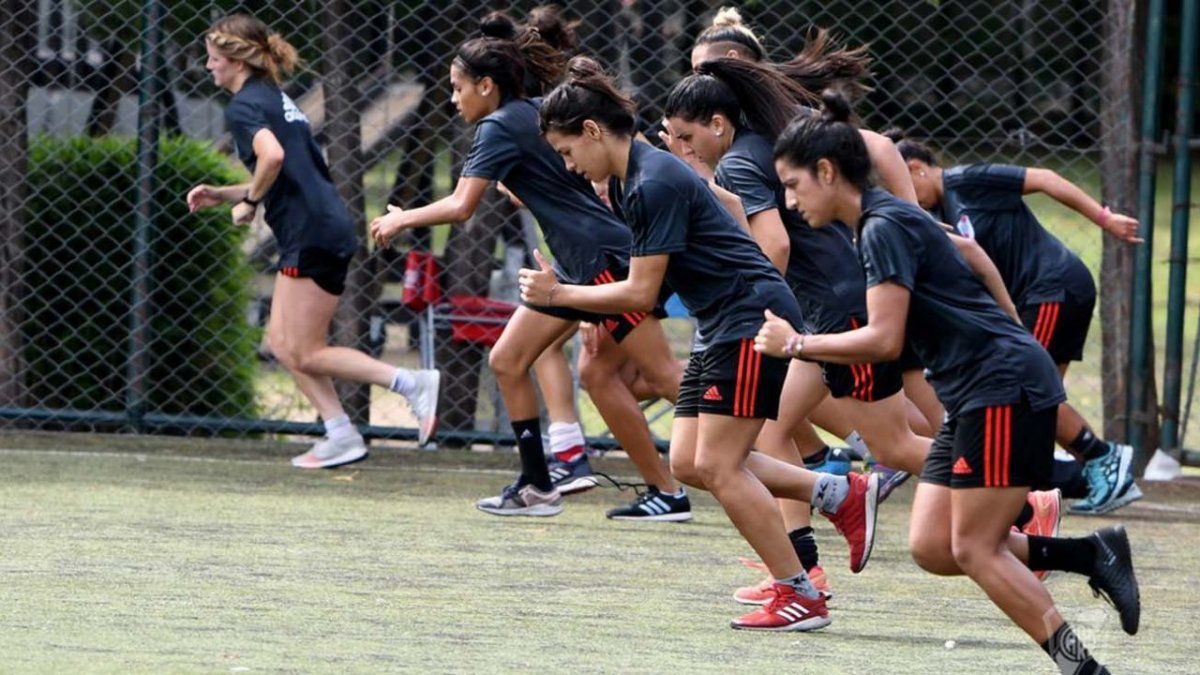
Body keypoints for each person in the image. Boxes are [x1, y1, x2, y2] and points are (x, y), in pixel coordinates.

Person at [757, 93, 1140, 670]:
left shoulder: (882, 228)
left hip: (999, 389)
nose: (788, 200)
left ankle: (1084, 669)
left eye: (792, 185)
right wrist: (1014, 331)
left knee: (974, 548)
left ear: (828, 172)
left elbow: (885, 340)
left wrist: (797, 344)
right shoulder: (888, 215)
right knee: (934, 546)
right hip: (981, 389)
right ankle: (1091, 554)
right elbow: (970, 252)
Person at [528, 57, 881, 631]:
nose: (568, 166)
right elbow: (725, 213)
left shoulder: (649, 181)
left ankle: (801, 593)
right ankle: (837, 492)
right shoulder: (638, 178)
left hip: (746, 318)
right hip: (727, 318)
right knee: (690, 461)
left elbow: (642, 293)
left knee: (719, 464)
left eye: (568, 152)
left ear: (592, 131)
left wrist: (560, 295)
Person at [370, 31, 685, 519]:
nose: (452, 99)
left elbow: (461, 205)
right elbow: (555, 181)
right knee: (510, 359)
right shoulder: (535, 113)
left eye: (457, 87)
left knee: (664, 375)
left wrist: (399, 218)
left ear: (487, 86)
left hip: (599, 260)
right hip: (575, 262)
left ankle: (769, 452)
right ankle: (541, 484)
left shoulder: (497, 126)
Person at [187, 14, 439, 469]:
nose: (209, 68)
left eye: (214, 59)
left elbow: (273, 157)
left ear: (237, 62)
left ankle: (409, 383)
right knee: (284, 344)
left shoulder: (244, 106)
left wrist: (250, 202)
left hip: (311, 233)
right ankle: (340, 433)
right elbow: (286, 168)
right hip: (319, 227)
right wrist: (226, 194)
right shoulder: (272, 98)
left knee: (304, 349)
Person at [890, 132, 1144, 516]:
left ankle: (1102, 457)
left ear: (916, 169)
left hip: (1051, 286)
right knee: (1038, 399)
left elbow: (1045, 178)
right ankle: (1061, 480)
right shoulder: (938, 215)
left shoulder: (967, 180)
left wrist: (1104, 219)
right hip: (1041, 295)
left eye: (903, 187)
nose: (905, 202)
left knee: (1025, 388)